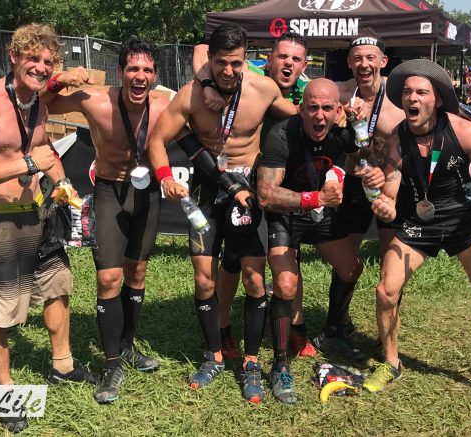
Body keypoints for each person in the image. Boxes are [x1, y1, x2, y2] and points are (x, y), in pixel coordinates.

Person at [0, 23, 97, 433]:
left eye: (48, 61)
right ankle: (5, 392)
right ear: (13, 56)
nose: (41, 67)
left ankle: (62, 365)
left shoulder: (37, 103)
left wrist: (62, 184)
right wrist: (28, 164)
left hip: (40, 210)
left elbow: (41, 147)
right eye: (33, 58)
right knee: (2, 309)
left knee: (58, 285)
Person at [147, 24, 297, 404]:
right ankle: (213, 355)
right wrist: (165, 176)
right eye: (220, 63)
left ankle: (251, 362)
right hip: (206, 191)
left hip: (248, 192)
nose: (228, 71)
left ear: (246, 60)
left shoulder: (263, 89)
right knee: (204, 281)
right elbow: (157, 140)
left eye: (235, 63)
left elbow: (301, 117)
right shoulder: (191, 95)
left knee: (254, 279)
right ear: (210, 61)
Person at [363, 59, 471, 413]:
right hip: (421, 222)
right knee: (386, 292)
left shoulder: (463, 129)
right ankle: (391, 362)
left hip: (465, 220)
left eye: (421, 92)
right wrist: (386, 204)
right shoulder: (396, 139)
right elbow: (391, 187)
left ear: (438, 99)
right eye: (407, 92)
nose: (412, 98)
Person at [41, 39, 168, 403]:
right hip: (110, 191)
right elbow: (43, 105)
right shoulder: (95, 100)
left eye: (147, 70)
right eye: (133, 69)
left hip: (147, 194)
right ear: (120, 72)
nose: (140, 76)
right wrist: (60, 79)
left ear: (155, 75)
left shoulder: (165, 104)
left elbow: (202, 116)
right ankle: (111, 364)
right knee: (108, 277)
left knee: (137, 273)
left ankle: (127, 345)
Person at [256, 78, 396, 403]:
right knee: (286, 285)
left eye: (327, 108)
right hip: (286, 213)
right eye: (313, 108)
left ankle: (333, 331)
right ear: (301, 109)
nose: (319, 116)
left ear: (337, 110)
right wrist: (315, 197)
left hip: (319, 213)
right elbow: (265, 195)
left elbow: (369, 159)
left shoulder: (341, 132)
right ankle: (280, 364)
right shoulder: (282, 135)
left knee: (351, 268)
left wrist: (363, 142)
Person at [192, 32, 317, 360]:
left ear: (304, 66)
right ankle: (224, 329)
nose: (288, 64)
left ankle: (295, 330)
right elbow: (202, 50)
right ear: (268, 59)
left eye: (295, 59)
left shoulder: (305, 92)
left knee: (288, 255)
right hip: (244, 185)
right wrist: (207, 83)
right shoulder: (247, 75)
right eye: (282, 57)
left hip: (281, 188)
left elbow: (319, 112)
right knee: (234, 261)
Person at [310, 29, 404, 359]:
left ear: (383, 61)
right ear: (349, 63)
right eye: (357, 58)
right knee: (347, 259)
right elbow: (305, 98)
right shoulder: (341, 91)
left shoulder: (400, 95)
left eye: (370, 58)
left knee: (392, 262)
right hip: (354, 184)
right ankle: (335, 327)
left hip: (391, 183)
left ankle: (387, 335)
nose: (364, 64)